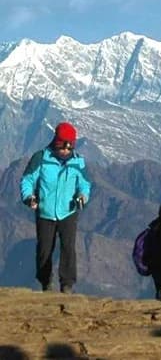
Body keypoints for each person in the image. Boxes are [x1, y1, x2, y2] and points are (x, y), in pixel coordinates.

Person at [19, 122, 91, 294]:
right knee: (44, 249)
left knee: (68, 248)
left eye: (69, 148)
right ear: (56, 143)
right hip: (45, 211)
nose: (65, 152)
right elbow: (27, 179)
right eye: (62, 148)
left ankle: (67, 284)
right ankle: (46, 283)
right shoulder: (41, 158)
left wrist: (83, 196)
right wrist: (28, 197)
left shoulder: (78, 162)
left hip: (68, 211)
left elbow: (84, 184)